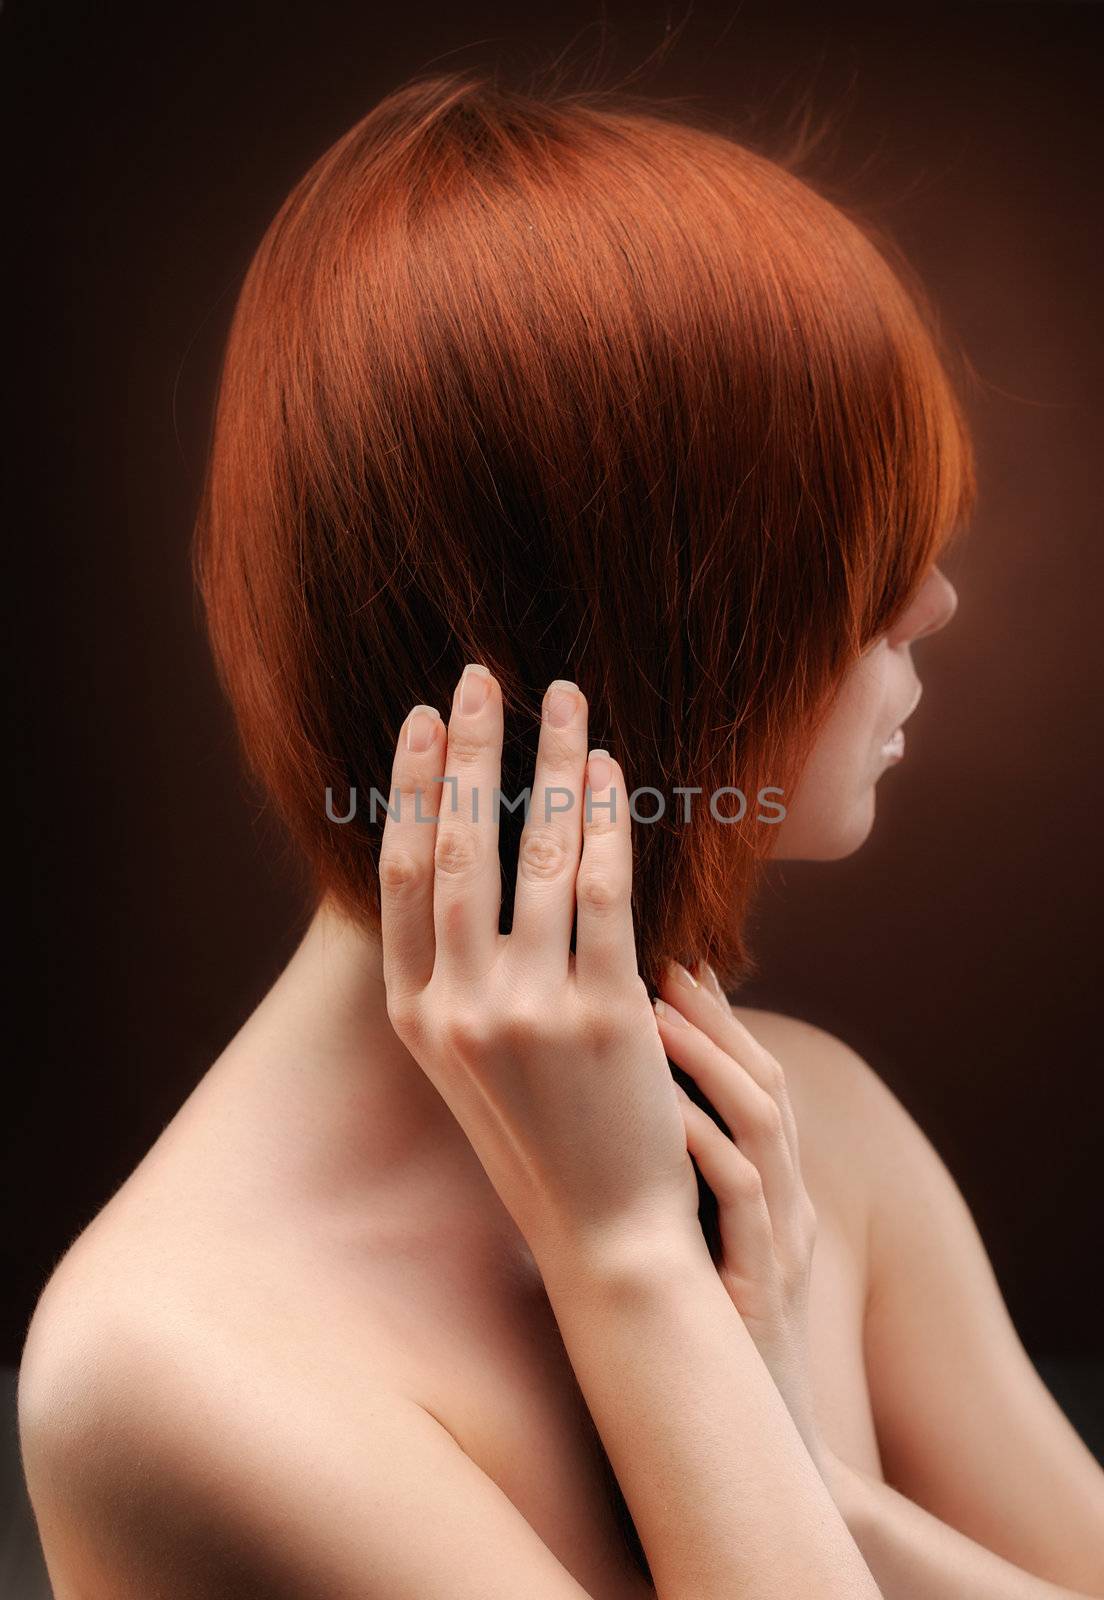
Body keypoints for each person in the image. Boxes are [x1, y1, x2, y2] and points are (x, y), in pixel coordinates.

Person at [18, 69, 1104, 1599]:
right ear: (629, 634)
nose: (930, 601)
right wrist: (633, 1271)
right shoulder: (179, 1372)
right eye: (842, 560)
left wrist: (804, 1478)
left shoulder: (811, 1141)